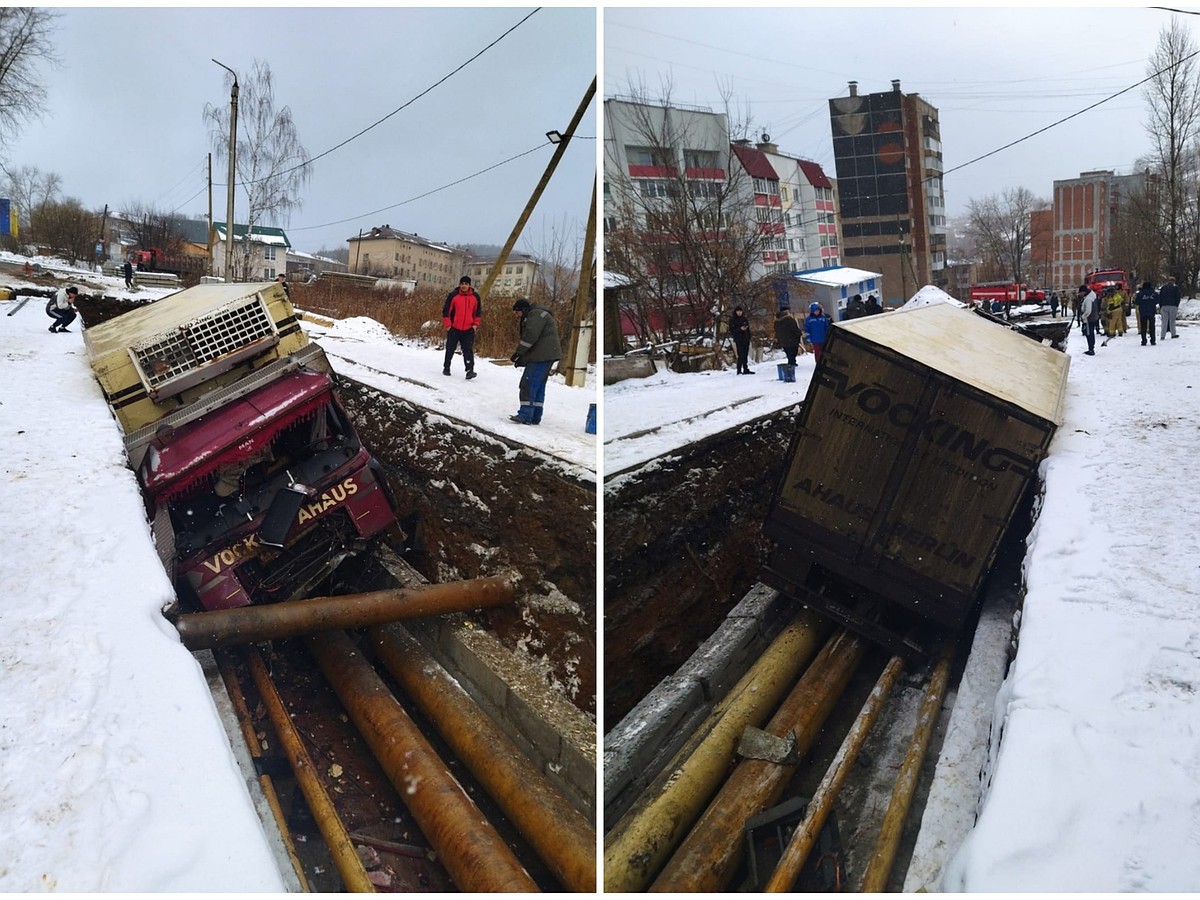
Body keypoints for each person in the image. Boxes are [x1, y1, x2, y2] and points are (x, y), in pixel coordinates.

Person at [508, 298, 561, 425]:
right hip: (546, 355)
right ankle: (535, 415)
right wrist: (522, 358)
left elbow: (530, 336)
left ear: (523, 310)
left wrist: (518, 353)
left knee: (528, 383)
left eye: (517, 313)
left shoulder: (535, 315)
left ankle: (525, 415)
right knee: (538, 385)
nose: (516, 316)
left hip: (541, 356)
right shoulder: (539, 313)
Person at [442, 275, 482, 379]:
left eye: (466, 284)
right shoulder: (453, 295)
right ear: (459, 285)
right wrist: (448, 325)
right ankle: (446, 367)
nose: (464, 286)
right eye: (462, 284)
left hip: (468, 329)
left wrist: (475, 325)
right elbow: (446, 311)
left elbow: (478, 312)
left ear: (469, 285)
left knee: (468, 350)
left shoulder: (475, 297)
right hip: (454, 328)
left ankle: (470, 370)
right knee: (450, 349)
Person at [728, 305, 753, 374]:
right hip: (739, 340)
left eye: (740, 311)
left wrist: (749, 337)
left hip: (746, 339)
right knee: (740, 355)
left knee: (745, 355)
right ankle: (739, 370)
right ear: (735, 312)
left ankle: (745, 368)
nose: (739, 313)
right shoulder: (732, 320)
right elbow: (732, 330)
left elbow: (748, 329)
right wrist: (740, 329)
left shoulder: (744, 319)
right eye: (738, 311)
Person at [1134, 281, 1158, 346]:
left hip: (1143, 311)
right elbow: (1157, 301)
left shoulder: (1140, 294)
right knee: (1152, 327)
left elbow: (1136, 302)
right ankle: (1153, 340)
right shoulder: (1153, 293)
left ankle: (1144, 340)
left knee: (1143, 327)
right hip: (1151, 311)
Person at [1158, 275, 1181, 340]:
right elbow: (1178, 297)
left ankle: (1162, 335)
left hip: (1164, 306)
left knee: (1164, 321)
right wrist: (1176, 305)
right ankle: (1173, 334)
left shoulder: (1163, 287)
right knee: (1172, 321)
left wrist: (1161, 305)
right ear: (1174, 281)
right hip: (1173, 305)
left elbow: (1160, 297)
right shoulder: (1175, 288)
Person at [1079, 284, 1099, 355]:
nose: (1080, 294)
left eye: (1080, 292)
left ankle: (1091, 349)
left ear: (1083, 292)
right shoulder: (1092, 295)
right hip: (1093, 318)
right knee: (1091, 333)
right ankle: (1091, 348)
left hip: (1089, 319)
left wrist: (1083, 317)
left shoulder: (1088, 299)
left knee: (1089, 334)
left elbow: (1088, 311)